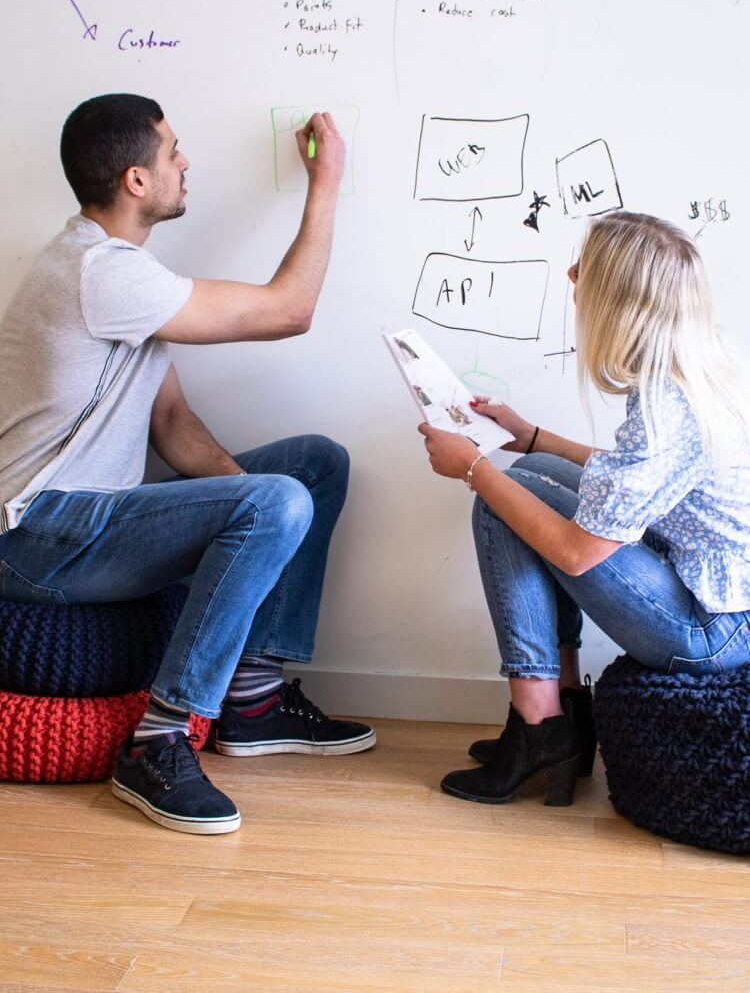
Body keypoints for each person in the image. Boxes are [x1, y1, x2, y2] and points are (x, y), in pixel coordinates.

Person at [0, 93, 376, 836]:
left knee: (312, 468)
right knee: (278, 501)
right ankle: (159, 740)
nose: (186, 162)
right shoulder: (101, 274)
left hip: (90, 522)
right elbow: (287, 310)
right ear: (137, 181)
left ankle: (255, 701)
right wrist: (326, 182)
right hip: (37, 536)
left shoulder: (124, 275)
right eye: (173, 152)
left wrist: (260, 520)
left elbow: (171, 423)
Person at [418, 211, 750, 808]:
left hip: (712, 632)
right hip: (727, 608)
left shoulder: (662, 406)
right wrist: (533, 437)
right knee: (531, 474)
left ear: (619, 298)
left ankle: (540, 724)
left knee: (501, 502)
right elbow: (637, 480)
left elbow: (577, 551)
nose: (571, 274)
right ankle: (566, 706)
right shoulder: (695, 363)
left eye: (586, 267)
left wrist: (473, 467)